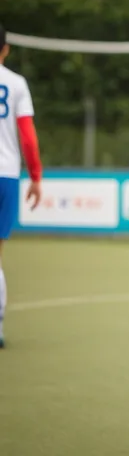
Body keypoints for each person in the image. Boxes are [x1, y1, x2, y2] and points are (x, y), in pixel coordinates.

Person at [0, 23, 42, 348]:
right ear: (6, 49)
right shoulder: (15, 83)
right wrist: (36, 176)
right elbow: (27, 136)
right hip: (6, 174)